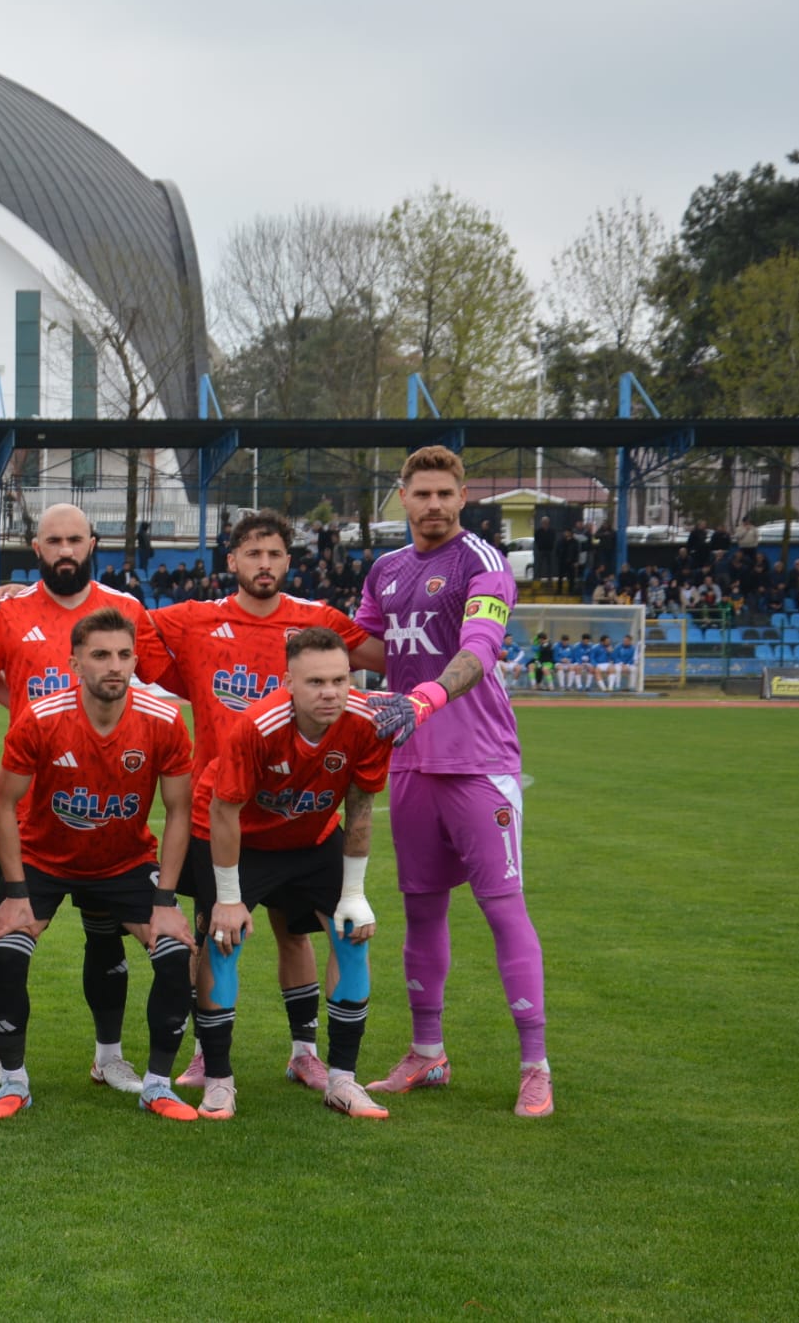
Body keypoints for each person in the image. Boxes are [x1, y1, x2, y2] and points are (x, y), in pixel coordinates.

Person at [146, 509, 385, 1093]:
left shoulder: (317, 620)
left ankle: (304, 1050)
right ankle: (208, 1053)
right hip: (224, 813)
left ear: (288, 560)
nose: (264, 564)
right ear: (232, 561)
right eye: (252, 554)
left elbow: (378, 656)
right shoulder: (196, 618)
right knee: (215, 932)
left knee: (294, 933)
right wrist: (189, 684)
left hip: (302, 814)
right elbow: (126, 625)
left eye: (275, 554)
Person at [0, 503, 172, 1092]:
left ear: (92, 542)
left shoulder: (126, 611)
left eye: (75, 539)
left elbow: (165, 675)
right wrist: (15, 700)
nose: (65, 550)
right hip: (29, 817)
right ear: (35, 547)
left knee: (105, 937)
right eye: (53, 541)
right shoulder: (11, 612)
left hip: (108, 815)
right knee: (7, 932)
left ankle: (109, 1055)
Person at [358, 446, 553, 1118]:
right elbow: (365, 647)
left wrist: (424, 701)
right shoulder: (384, 569)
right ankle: (427, 1053)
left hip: (477, 761)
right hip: (410, 762)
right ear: (403, 498)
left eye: (446, 492)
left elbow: (478, 650)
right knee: (420, 908)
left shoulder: (483, 564)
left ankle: (535, 1064)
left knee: (503, 908)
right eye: (422, 493)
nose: (434, 504)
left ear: (463, 496)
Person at [0, 607, 198, 1121]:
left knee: (174, 955)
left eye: (124, 655)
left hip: (123, 860)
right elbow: (1, 804)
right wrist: (15, 894)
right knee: (7, 953)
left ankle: (157, 1086)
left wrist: (166, 902)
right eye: (101, 655)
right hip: (43, 858)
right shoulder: (41, 717)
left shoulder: (164, 720)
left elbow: (180, 811)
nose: (114, 666)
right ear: (75, 662)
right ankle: (13, 1081)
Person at [184, 627, 391, 1120]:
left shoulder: (367, 722)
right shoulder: (256, 725)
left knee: (351, 933)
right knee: (221, 939)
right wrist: (229, 899)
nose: (331, 692)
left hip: (312, 837)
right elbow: (224, 812)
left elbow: (360, 807)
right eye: (316, 682)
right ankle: (218, 1081)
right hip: (240, 838)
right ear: (288, 682)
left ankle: (342, 1080)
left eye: (341, 680)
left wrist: (355, 893)